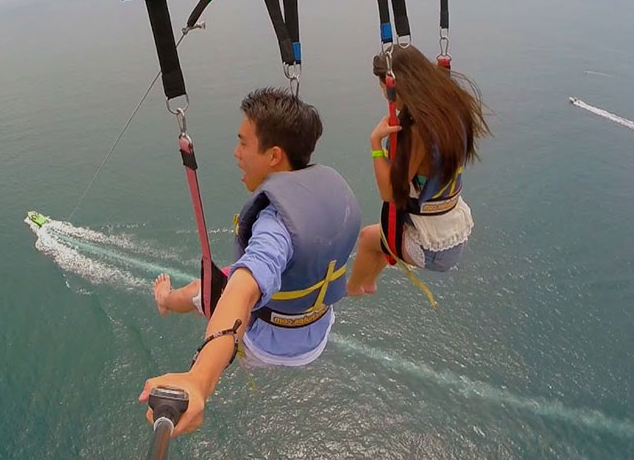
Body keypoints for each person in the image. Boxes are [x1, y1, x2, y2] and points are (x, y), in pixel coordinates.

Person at [140, 87, 361, 435]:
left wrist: (199, 379)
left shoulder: (276, 226)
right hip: (315, 329)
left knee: (205, 290)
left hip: (270, 342)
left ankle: (165, 300)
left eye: (243, 143)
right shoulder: (330, 189)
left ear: (274, 156)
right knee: (232, 275)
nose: (236, 153)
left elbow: (242, 291)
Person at [347, 45, 489, 296]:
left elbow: (389, 193)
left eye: (384, 90)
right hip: (451, 232)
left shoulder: (416, 134)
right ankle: (368, 282)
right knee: (380, 236)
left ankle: (352, 288)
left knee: (368, 239)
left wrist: (375, 145)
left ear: (396, 89)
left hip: (432, 249)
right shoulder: (450, 110)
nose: (385, 96)